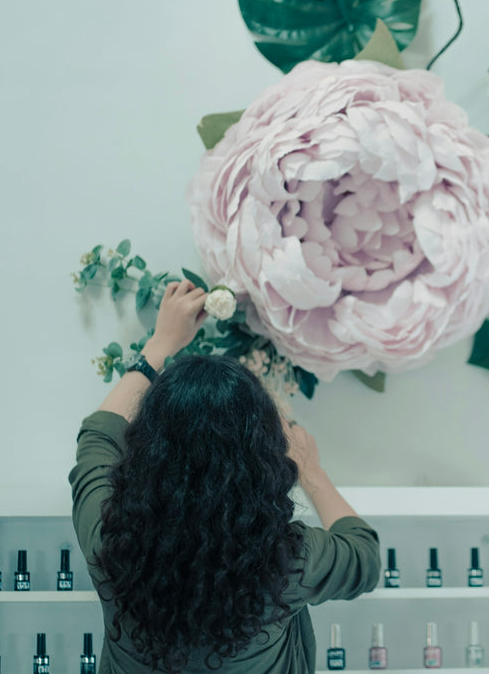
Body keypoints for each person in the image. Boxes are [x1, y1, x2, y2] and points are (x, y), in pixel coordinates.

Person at [69, 279, 380, 673]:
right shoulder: (288, 560)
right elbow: (364, 557)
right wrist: (311, 471)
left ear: (146, 445)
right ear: (262, 460)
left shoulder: (109, 539)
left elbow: (99, 434)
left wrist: (160, 344)